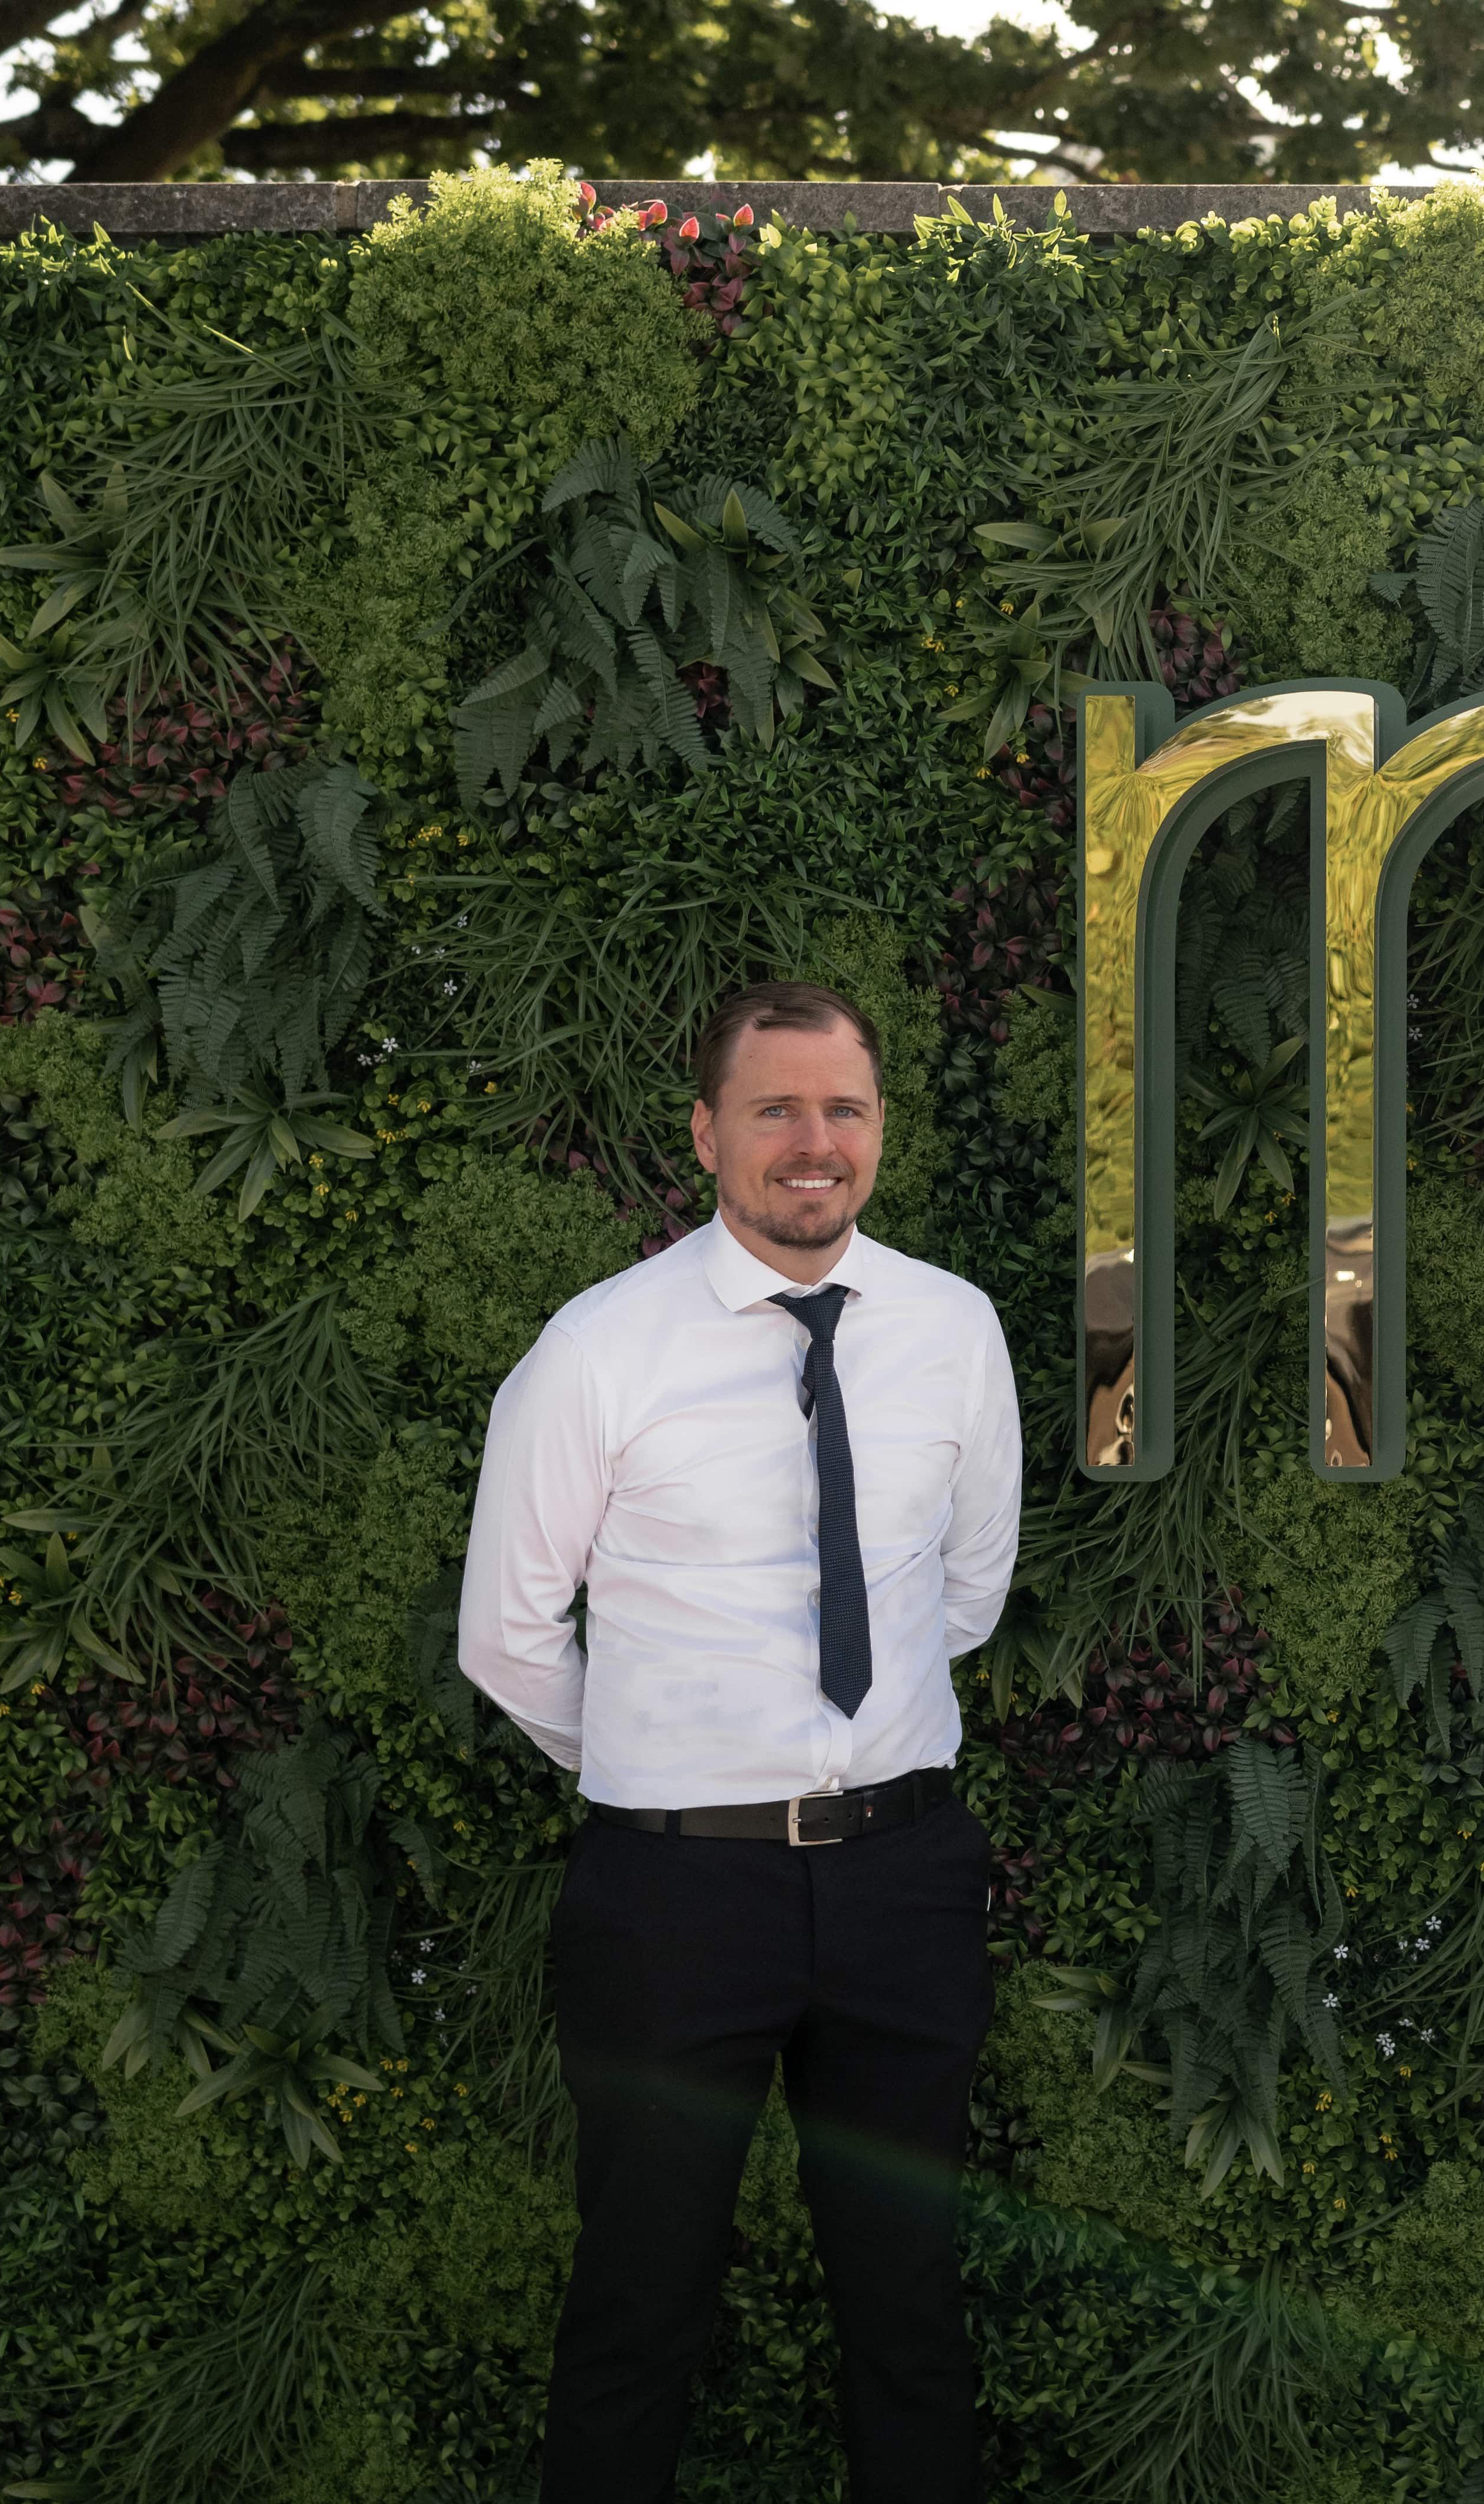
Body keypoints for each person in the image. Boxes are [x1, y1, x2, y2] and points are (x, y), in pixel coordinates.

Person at [460, 979, 1022, 2503]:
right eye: (775, 1107)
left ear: (879, 1133)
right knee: (640, 2305)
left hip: (903, 1882)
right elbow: (505, 1636)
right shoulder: (598, 1351)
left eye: (843, 1109)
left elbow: (965, 1596)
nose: (812, 1142)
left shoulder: (956, 1334)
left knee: (908, 2307)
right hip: (674, 1904)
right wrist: (666, 1761)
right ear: (708, 1132)